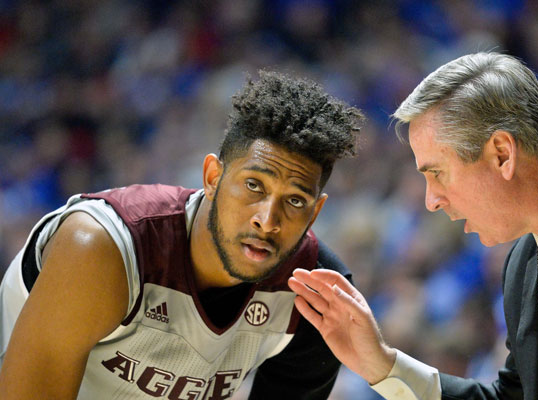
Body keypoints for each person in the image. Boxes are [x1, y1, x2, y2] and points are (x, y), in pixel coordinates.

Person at [288, 52, 538, 399]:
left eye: (437, 173)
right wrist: (382, 365)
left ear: (502, 153)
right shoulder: (523, 264)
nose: (431, 201)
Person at [0, 70, 363, 399]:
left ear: (316, 211)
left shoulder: (317, 296)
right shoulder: (103, 247)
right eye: (254, 185)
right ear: (212, 177)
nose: (267, 220)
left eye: (296, 201)